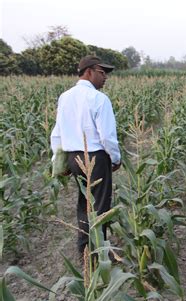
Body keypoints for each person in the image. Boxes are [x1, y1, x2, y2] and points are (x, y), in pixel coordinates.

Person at [50, 55, 121, 255]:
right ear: (89, 71)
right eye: (102, 72)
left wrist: (58, 162)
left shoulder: (65, 96)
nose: (105, 77)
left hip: (74, 158)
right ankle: (99, 254)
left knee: (84, 203)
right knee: (100, 207)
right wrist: (115, 158)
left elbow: (57, 132)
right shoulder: (99, 99)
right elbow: (107, 136)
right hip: (95, 158)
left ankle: (84, 250)